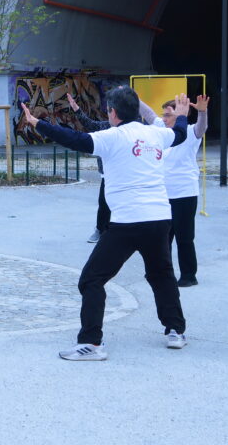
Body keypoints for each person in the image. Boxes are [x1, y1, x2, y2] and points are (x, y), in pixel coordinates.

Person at [20, 87, 191, 361]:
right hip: (159, 219)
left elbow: (75, 139)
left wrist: (37, 122)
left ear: (112, 112)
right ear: (136, 110)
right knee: (161, 275)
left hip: (126, 223)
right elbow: (180, 134)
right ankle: (176, 330)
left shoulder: (112, 137)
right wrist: (182, 115)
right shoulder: (157, 133)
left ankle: (91, 343)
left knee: (92, 279)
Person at [67, 92, 159, 243]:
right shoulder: (106, 127)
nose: (109, 113)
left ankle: (134, 232)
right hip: (107, 176)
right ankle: (100, 229)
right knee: (104, 204)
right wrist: (76, 109)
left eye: (110, 109)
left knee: (132, 202)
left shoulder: (140, 129)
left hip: (129, 174)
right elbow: (89, 124)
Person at [158, 95, 210, 287]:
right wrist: (134, 99)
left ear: (179, 115)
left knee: (184, 237)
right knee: (164, 237)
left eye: (167, 115)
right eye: (163, 115)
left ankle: (189, 275)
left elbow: (201, 127)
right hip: (164, 194)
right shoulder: (164, 134)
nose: (163, 118)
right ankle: (164, 273)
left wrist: (202, 111)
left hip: (185, 194)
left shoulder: (190, 132)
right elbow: (146, 113)